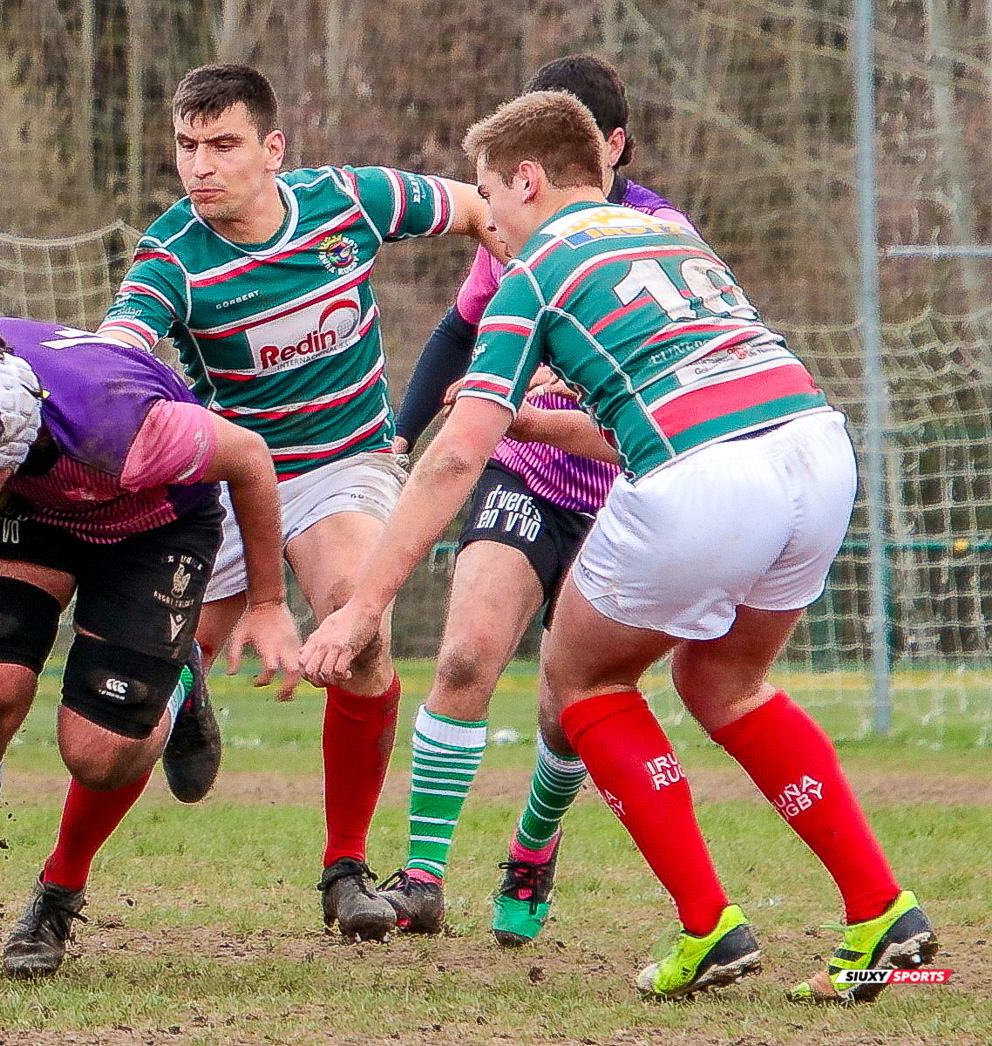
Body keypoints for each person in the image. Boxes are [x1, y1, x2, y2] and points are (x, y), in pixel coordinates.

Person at [301, 89, 937, 1001]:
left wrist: (362, 605)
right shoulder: (677, 242)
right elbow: (666, 410)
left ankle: (709, 927)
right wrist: (541, 423)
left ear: (527, 178)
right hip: (816, 451)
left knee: (582, 679)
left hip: (705, 484)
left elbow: (454, 460)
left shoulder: (536, 271)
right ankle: (881, 909)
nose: (492, 227)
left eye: (491, 199)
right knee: (724, 681)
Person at [88, 63, 503, 945]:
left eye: (224, 145)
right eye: (187, 147)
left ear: (273, 150)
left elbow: (479, 210)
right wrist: (96, 369)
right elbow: (124, 336)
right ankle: (58, 892)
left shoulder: (350, 202)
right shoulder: (172, 256)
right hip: (230, 478)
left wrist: (522, 290)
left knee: (359, 622)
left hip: (343, 463)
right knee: (133, 712)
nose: (200, 166)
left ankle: (345, 868)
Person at [0, 317, 302, 992]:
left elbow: (252, 458)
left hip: (152, 522)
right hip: (33, 511)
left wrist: (266, 602)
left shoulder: (130, 429)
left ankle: (176, 682)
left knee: (98, 755)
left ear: (25, 437)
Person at [378, 54, 698, 945]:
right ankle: (423, 877)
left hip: (625, 497)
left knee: (569, 706)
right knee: (464, 658)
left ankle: (533, 843)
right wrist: (401, 438)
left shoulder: (658, 235)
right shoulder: (516, 236)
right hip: (528, 478)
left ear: (614, 149)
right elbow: (457, 329)